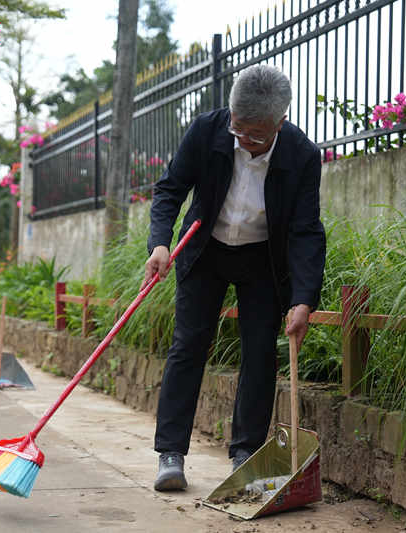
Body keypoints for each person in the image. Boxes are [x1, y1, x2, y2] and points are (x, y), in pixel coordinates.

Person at [143, 65, 326, 491]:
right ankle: (171, 453)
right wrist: (160, 244)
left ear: (280, 122)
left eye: (256, 135)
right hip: (204, 248)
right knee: (188, 345)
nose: (243, 139)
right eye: (237, 128)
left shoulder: (301, 155)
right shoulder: (207, 131)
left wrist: (304, 297)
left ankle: (246, 454)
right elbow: (170, 188)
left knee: (260, 351)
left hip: (262, 258)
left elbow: (305, 230)